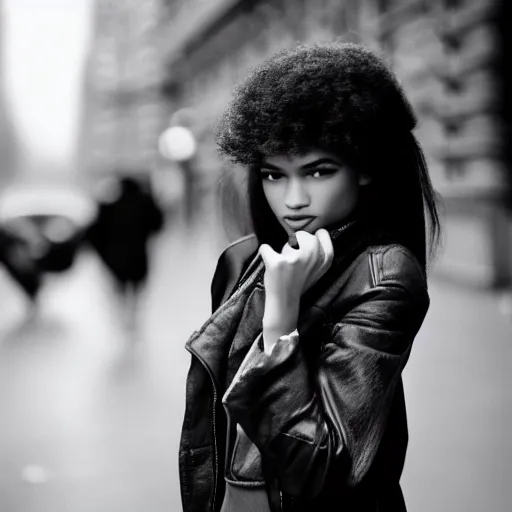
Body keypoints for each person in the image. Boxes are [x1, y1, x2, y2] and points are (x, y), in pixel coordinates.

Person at [178, 41, 441, 512]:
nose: (293, 200)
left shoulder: (384, 275)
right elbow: (213, 430)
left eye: (318, 171)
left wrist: (280, 319)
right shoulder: (242, 261)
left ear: (364, 167)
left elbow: (322, 466)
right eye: (274, 175)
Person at [86, 174, 164, 329]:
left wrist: (103, 252)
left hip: (116, 257)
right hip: (138, 256)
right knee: (136, 288)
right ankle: (133, 316)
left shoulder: (111, 206)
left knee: (120, 287)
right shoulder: (145, 204)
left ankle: (124, 316)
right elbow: (157, 224)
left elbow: (95, 231)